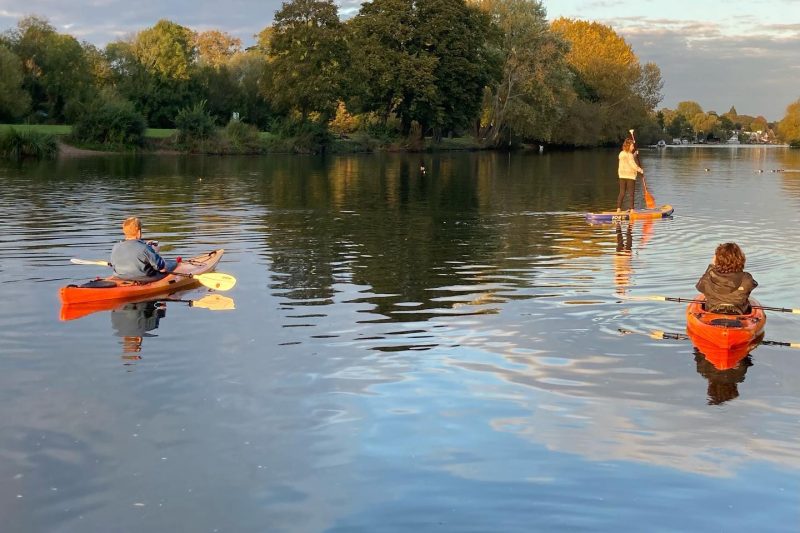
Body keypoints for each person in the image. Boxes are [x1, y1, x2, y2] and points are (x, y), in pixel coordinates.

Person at [695, 242, 758, 314]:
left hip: (712, 311)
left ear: (716, 260)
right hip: (739, 312)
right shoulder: (747, 279)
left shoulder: (708, 277)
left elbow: (699, 287)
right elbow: (752, 286)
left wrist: (712, 266)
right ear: (740, 259)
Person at [110, 217, 177, 281]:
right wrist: (155, 252)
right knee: (171, 264)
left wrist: (147, 247)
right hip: (144, 277)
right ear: (139, 232)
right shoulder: (145, 248)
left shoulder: (116, 246)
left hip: (120, 276)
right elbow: (160, 266)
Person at [617, 138, 643, 212]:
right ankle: (632, 210)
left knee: (621, 193)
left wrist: (634, 155)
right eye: (632, 146)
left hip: (622, 176)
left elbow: (627, 159)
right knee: (631, 193)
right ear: (628, 146)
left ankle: (618, 209)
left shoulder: (621, 153)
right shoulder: (630, 155)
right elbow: (632, 165)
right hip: (630, 176)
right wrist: (640, 170)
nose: (633, 147)